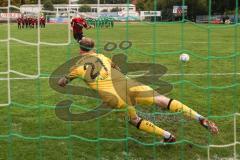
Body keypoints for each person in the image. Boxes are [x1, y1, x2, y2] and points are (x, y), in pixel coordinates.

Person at [58, 38, 219, 142]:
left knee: (134, 119)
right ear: (93, 48)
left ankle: (167, 136)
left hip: (114, 97)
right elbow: (117, 67)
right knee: (162, 100)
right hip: (129, 84)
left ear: (80, 50)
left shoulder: (77, 67)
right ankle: (200, 118)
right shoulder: (103, 57)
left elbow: (62, 83)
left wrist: (66, 78)